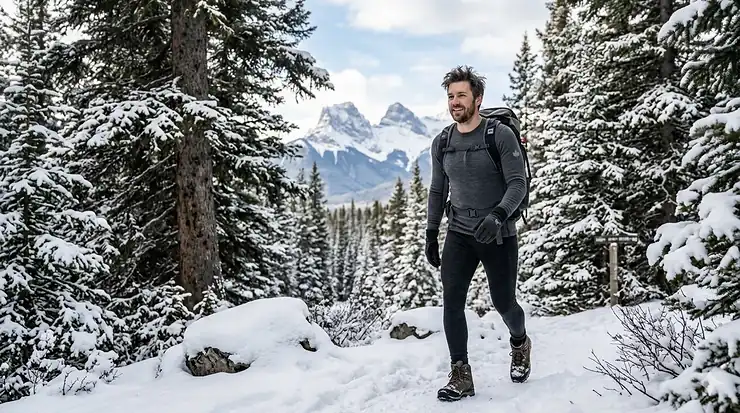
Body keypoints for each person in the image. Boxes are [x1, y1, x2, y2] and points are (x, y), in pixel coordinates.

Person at [425, 65, 531, 402]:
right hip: (459, 232)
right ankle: (461, 374)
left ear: (478, 99)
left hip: (497, 234)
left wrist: (499, 216)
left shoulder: (498, 135)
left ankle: (520, 342)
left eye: (462, 95)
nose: (455, 102)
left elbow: (518, 183)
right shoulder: (442, 141)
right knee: (452, 302)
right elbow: (437, 190)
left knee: (504, 303)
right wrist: (431, 232)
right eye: (451, 96)